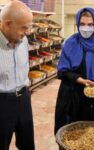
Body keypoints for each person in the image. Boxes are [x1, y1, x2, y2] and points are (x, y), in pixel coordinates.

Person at [54, 7, 94, 134]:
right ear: (77, 24)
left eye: (90, 24)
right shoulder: (70, 43)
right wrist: (81, 80)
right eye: (82, 24)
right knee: (72, 133)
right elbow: (62, 72)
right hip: (73, 96)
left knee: (93, 133)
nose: (86, 28)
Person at [0, 1, 35, 150]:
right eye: (23, 27)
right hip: (2, 102)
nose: (27, 32)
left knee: (27, 144)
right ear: (8, 24)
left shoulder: (24, 40)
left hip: (24, 98)